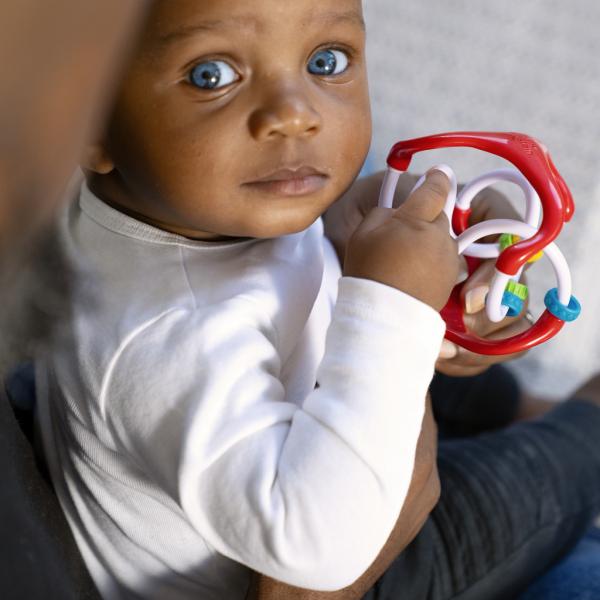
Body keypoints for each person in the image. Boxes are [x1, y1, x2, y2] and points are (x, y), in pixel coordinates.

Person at [32, 2, 600, 600]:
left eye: (326, 61)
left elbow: (271, 282)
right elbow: (321, 553)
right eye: (211, 75)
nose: (296, 114)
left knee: (436, 346)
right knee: (539, 478)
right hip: (338, 545)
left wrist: (345, 228)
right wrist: (393, 301)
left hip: (306, 408)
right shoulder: (166, 344)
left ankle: (515, 406)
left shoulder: (188, 208)